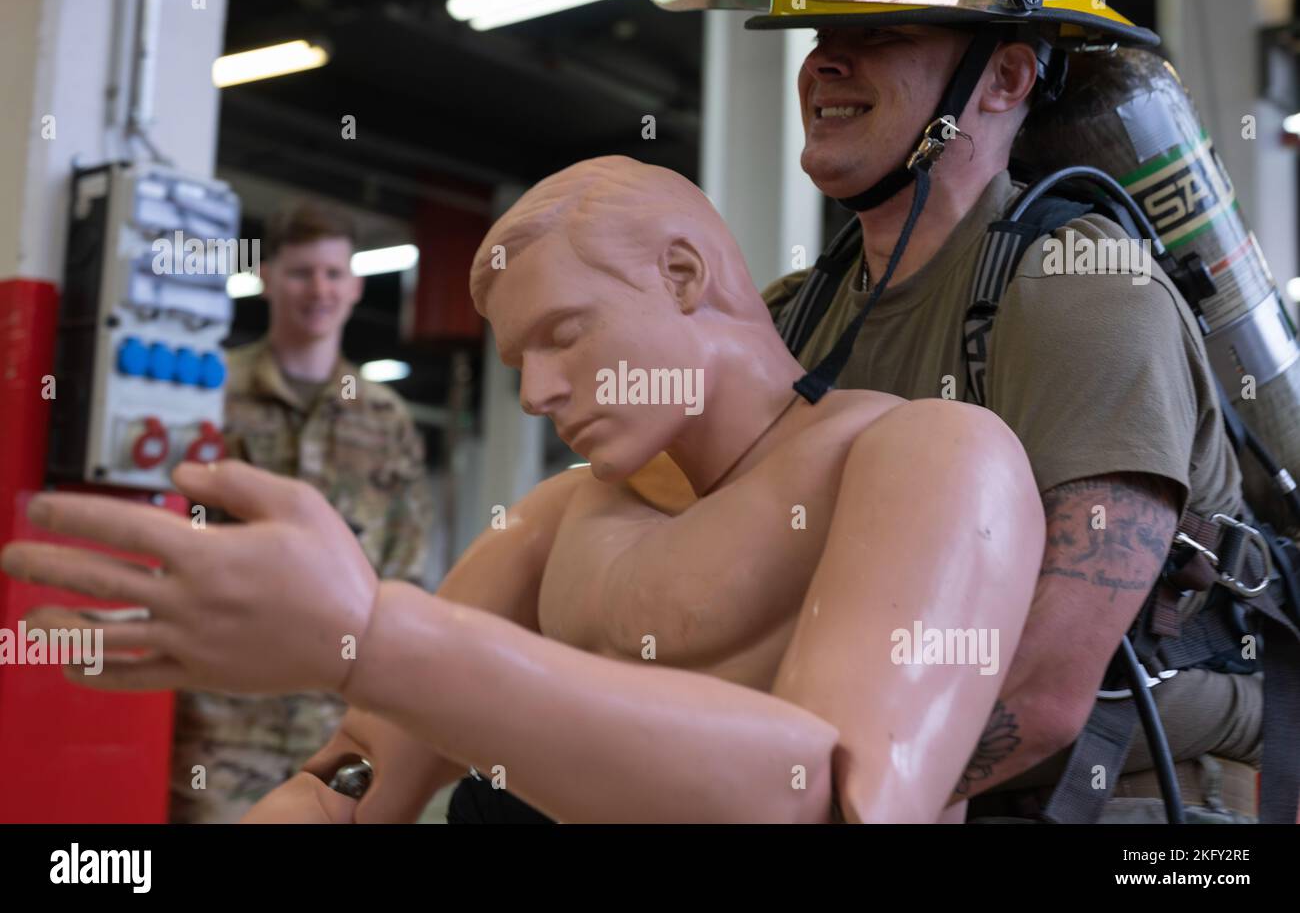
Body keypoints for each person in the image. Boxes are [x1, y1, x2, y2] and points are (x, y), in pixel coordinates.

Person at [4, 156, 1044, 823]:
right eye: (519, 361)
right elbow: (354, 777)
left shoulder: (925, 455)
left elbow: (832, 793)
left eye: (565, 334)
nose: (540, 391)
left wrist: (374, 633)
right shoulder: (555, 519)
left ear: (683, 275)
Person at [649, 0, 1269, 820]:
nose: (824, 62)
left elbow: (1046, 689)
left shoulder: (1082, 292)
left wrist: (805, 797)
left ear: (1006, 77)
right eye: (822, 36)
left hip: (1123, 796)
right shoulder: (794, 318)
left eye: (879, 35)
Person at [169, 200, 435, 823]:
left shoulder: (384, 418)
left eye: (334, 274)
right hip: (221, 712)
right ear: (264, 276)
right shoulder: (209, 395)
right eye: (301, 273)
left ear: (356, 286)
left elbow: (407, 570)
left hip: (336, 715)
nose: (320, 289)